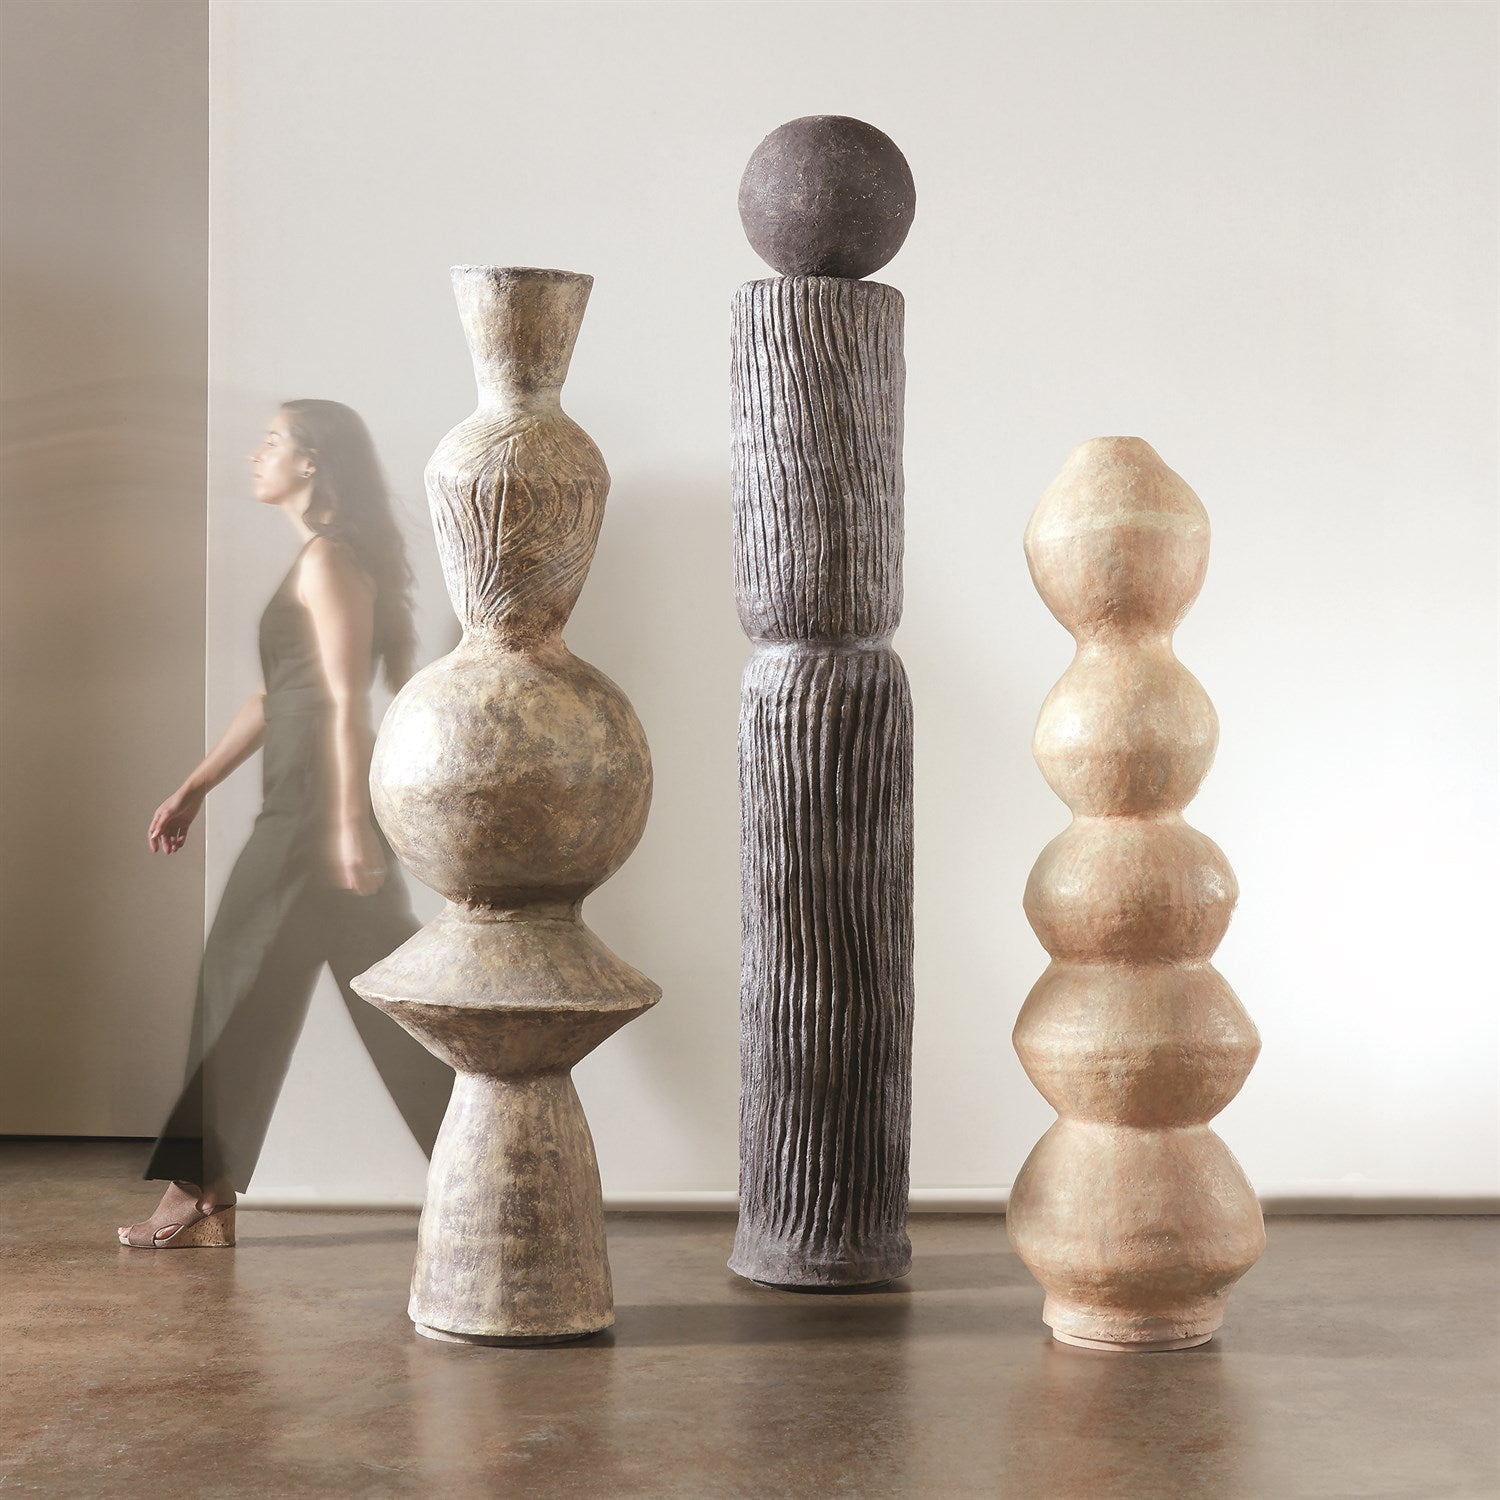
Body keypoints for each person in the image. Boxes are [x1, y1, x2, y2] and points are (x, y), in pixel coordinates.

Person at [117, 400, 450, 1248]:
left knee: (237, 987)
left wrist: (344, 828)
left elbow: (340, 702)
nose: (256, 454)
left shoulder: (331, 560)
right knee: (384, 1006)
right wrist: (194, 786)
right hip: (308, 809)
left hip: (313, 815)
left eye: (272, 441)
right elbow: (274, 695)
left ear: (311, 462)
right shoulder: (318, 559)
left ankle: (198, 1189)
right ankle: (487, 1174)